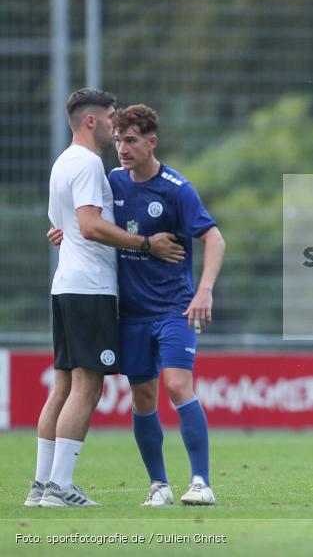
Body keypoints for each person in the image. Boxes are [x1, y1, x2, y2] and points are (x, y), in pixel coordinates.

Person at [50, 104, 225, 505]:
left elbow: (214, 238)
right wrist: (65, 231)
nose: (122, 149)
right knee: (143, 398)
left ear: (151, 142)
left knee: (179, 386)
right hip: (130, 314)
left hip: (173, 309)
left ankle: (201, 482)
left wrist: (204, 291)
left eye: (130, 141)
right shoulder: (112, 181)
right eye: (117, 141)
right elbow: (91, 218)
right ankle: (159, 486)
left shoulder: (177, 189)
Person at [29, 90, 184, 508]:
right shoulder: (87, 163)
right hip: (89, 287)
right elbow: (91, 225)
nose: (117, 127)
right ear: (92, 121)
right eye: (112, 118)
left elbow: (63, 225)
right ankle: (60, 487)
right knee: (87, 386)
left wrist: (69, 231)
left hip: (65, 285)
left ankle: (41, 487)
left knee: (62, 385)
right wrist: (144, 243)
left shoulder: (63, 162)